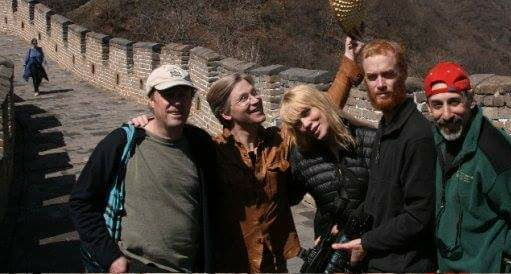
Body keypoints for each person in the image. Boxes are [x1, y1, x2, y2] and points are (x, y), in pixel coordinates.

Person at [129, 37, 363, 272]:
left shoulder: (280, 142)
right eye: (244, 98)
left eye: (254, 93)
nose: (256, 100)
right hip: (231, 263)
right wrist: (145, 122)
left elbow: (322, 109)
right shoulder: (212, 151)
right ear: (226, 114)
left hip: (273, 262)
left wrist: (349, 61)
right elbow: (169, 143)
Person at [69, 64, 216, 273]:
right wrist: (110, 258)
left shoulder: (200, 144)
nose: (177, 102)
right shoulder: (122, 142)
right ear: (151, 100)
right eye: (168, 95)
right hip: (137, 265)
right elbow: (81, 202)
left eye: (184, 95)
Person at [423, 61, 511, 272]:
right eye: (437, 105)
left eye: (454, 102)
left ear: (470, 100)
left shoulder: (495, 151)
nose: (447, 114)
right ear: (428, 107)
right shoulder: (437, 143)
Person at [333, 39, 437, 272]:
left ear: (403, 74)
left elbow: (419, 217)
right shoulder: (386, 125)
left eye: (388, 75)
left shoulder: (416, 136)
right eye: (372, 77)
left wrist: (367, 243)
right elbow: (378, 198)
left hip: (404, 265)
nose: (380, 84)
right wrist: (344, 230)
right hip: (381, 260)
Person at [279, 84, 375, 240]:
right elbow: (283, 199)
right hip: (331, 250)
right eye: (297, 124)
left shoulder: (370, 140)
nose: (306, 125)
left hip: (373, 246)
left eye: (306, 112)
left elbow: (389, 198)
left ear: (320, 103)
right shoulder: (303, 157)